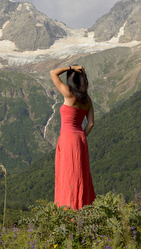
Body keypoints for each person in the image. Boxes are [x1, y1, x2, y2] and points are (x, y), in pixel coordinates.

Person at [50, 64, 96, 210]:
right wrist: (82, 135)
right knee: (80, 174)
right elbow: (91, 124)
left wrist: (71, 67)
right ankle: (83, 207)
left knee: (67, 174)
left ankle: (67, 209)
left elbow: (53, 73)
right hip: (80, 138)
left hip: (67, 138)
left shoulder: (69, 94)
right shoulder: (87, 100)